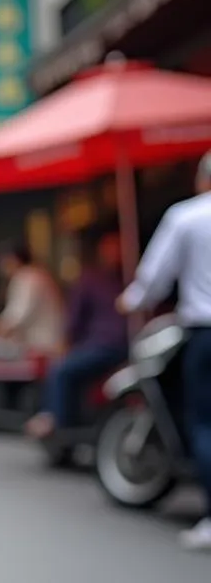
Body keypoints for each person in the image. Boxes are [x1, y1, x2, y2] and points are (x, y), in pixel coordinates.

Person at [117, 151, 211, 551]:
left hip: (204, 334)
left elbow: (152, 279)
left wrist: (132, 299)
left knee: (205, 421)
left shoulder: (187, 218)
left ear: (201, 179)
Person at [26, 230, 129, 438]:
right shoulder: (98, 279)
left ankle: (60, 423)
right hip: (107, 345)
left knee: (61, 370)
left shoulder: (129, 277)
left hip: (110, 346)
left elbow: (74, 322)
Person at [0, 244, 65, 354]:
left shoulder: (26, 277)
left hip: (43, 346)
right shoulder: (37, 274)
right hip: (50, 342)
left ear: (14, 259)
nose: (2, 267)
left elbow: (18, 314)